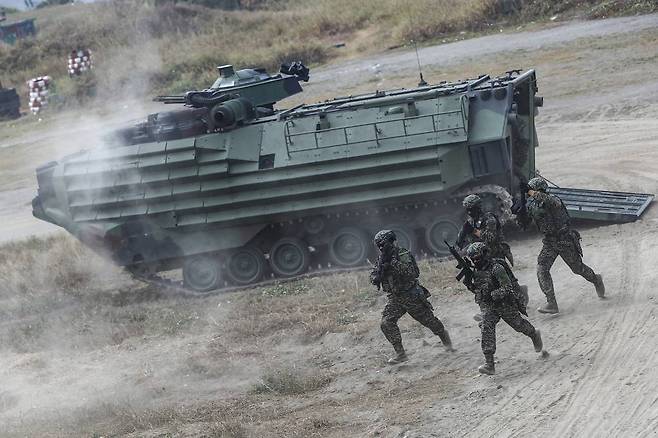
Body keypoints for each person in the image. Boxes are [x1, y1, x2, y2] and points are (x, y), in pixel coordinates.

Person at [517, 177, 605, 314]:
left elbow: (549, 201)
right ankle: (551, 303)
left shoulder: (553, 200)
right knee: (542, 269)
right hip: (549, 243)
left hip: (564, 240)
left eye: (533, 191)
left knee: (578, 269)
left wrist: (531, 192)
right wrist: (521, 208)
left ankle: (596, 279)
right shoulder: (533, 205)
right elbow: (525, 224)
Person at [370, 229, 454, 364]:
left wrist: (393, 263)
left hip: (411, 295)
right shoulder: (381, 259)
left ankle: (446, 340)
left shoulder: (402, 254)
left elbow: (413, 273)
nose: (380, 248)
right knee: (386, 323)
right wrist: (377, 276)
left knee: (430, 322)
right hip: (395, 299)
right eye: (378, 245)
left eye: (382, 244)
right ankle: (400, 354)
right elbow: (374, 274)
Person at [464, 242, 544, 375]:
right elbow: (478, 290)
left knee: (519, 325)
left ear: (484, 254)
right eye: (473, 259)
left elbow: (507, 288)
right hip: (489, 307)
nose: (476, 261)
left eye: (477, 258)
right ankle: (489, 364)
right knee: (486, 327)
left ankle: (534, 334)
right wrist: (469, 284)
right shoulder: (476, 271)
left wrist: (492, 295)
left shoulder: (497, 268)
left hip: (504, 304)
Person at [457, 194, 514, 266]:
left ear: (478, 207)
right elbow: (469, 242)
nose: (469, 212)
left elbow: (490, 239)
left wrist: (473, 230)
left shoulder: (489, 219)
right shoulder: (470, 222)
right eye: (467, 209)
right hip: (481, 256)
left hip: (495, 254)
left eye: (471, 209)